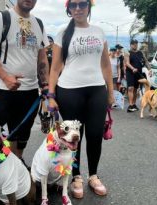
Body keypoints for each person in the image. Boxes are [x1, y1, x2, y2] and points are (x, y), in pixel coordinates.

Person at [48, 0, 114, 198]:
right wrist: (51, 95)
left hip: (96, 91)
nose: (78, 8)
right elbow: (56, 67)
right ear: (68, 8)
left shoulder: (99, 32)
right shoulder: (63, 32)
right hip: (69, 90)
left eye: (82, 4)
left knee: (94, 135)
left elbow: (105, 65)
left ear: (89, 6)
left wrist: (110, 92)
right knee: (74, 138)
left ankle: (93, 175)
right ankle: (76, 176)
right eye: (73, 5)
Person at [0, 0, 49, 166]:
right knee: (8, 132)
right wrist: (5, 77)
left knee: (24, 132)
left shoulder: (38, 23)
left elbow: (42, 58)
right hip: (5, 89)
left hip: (31, 90)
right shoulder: (2, 18)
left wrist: (46, 84)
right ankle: (4, 164)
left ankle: (17, 161)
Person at [124, 39, 151, 112]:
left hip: (138, 73)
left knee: (135, 89)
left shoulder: (141, 53)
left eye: (136, 43)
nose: (135, 45)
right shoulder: (128, 52)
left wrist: (150, 70)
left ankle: (134, 104)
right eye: (133, 43)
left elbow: (146, 62)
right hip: (130, 72)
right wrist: (132, 68)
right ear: (131, 45)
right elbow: (127, 63)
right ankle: (130, 105)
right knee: (130, 88)